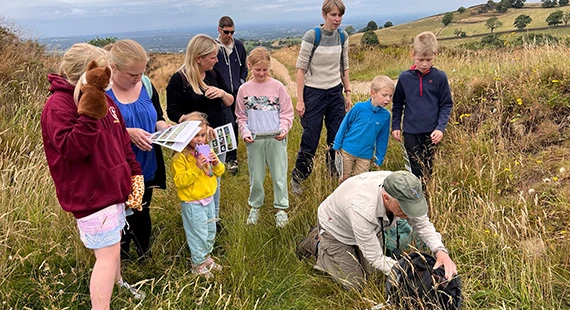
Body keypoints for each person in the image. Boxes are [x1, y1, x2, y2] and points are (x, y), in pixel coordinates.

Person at [41, 43, 145, 310]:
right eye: (102, 73)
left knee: (115, 243)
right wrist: (89, 108)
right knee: (107, 256)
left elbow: (121, 139)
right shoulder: (59, 105)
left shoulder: (105, 99)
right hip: (90, 194)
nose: (108, 79)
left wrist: (134, 173)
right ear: (86, 73)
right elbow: (73, 150)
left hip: (114, 188)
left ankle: (118, 283)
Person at [297, 171, 457, 290]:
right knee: (355, 285)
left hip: (369, 228)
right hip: (336, 230)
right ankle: (317, 244)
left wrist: (440, 251)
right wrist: (409, 272)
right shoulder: (362, 207)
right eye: (404, 209)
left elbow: (422, 224)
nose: (409, 213)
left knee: (374, 276)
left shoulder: (404, 186)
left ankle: (351, 251)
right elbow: (375, 258)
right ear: (386, 198)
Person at [106, 39, 169, 261]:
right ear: (113, 68)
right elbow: (95, 134)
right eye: (132, 74)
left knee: (142, 209)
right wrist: (127, 133)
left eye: (140, 73)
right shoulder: (101, 93)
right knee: (117, 216)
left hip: (147, 164)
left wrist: (168, 130)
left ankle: (144, 255)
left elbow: (157, 117)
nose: (137, 79)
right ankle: (118, 259)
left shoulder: (147, 84)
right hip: (117, 169)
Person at [166, 34, 234, 220]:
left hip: (216, 136)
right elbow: (172, 111)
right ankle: (198, 218)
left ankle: (214, 219)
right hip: (193, 142)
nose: (216, 60)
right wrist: (195, 128)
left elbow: (230, 100)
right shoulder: (179, 80)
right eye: (212, 57)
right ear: (198, 58)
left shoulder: (213, 74)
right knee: (195, 177)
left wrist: (222, 93)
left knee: (214, 179)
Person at [291, 0, 352, 195]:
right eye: (333, 15)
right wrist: (300, 100)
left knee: (336, 137)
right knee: (311, 138)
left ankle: (333, 173)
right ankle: (298, 178)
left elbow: (344, 66)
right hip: (313, 93)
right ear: (324, 15)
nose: (337, 19)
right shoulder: (312, 36)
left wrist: (348, 92)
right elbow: (300, 71)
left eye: (340, 15)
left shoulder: (342, 36)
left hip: (335, 92)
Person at [235, 47, 294, 228]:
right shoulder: (244, 89)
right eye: (258, 69)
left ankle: (281, 208)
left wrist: (284, 129)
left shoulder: (277, 87)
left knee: (279, 174)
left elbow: (286, 112)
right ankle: (255, 206)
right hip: (255, 139)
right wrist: (245, 133)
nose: (261, 73)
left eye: (265, 69)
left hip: (276, 138)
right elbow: (241, 115)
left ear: (270, 67)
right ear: (250, 66)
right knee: (256, 176)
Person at [391, 31, 453, 182]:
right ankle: (415, 196)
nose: (424, 64)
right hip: (411, 131)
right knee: (414, 167)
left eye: (428, 59)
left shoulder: (440, 77)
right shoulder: (404, 78)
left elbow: (446, 104)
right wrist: (395, 126)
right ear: (412, 55)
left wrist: (440, 128)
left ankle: (426, 196)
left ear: (436, 55)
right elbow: (398, 103)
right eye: (420, 59)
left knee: (428, 166)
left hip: (432, 132)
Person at [171, 112, 225, 278]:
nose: (200, 139)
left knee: (210, 230)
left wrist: (216, 163)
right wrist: (196, 167)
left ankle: (206, 256)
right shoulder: (180, 158)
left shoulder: (205, 150)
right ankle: (197, 263)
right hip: (193, 202)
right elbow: (180, 181)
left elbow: (219, 172)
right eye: (195, 136)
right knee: (197, 233)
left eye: (202, 135)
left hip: (208, 198)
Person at [333, 75, 394, 182]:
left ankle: (355, 199)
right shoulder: (359, 108)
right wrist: (337, 143)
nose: (388, 99)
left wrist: (379, 157)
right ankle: (342, 197)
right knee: (344, 178)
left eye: (390, 96)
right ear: (373, 93)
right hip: (348, 150)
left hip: (365, 155)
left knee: (360, 181)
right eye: (384, 95)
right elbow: (345, 124)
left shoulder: (386, 115)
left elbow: (382, 138)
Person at [215, 15, 248, 175]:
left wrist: (241, 81)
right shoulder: (213, 48)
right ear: (219, 30)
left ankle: (232, 157)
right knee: (228, 125)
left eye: (232, 32)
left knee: (238, 123)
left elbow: (244, 66)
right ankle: (229, 159)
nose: (229, 36)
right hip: (221, 95)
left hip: (237, 93)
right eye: (226, 32)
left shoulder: (239, 46)